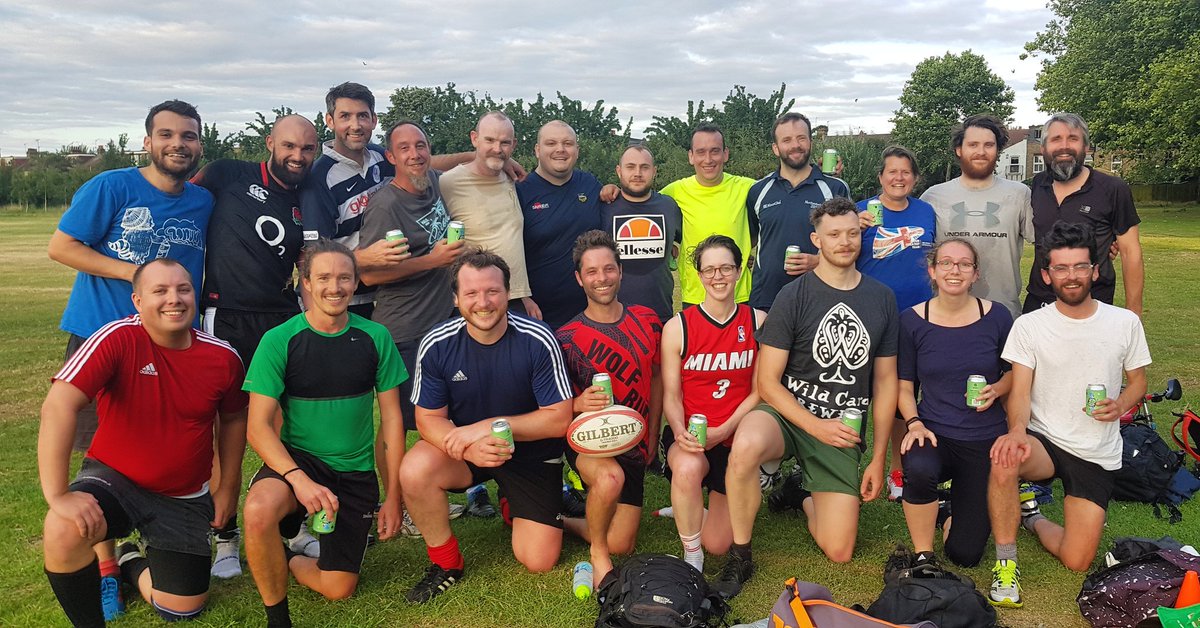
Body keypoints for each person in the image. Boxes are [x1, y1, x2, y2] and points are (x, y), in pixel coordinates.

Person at [46, 99, 212, 619]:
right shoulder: (112, 186)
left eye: (188, 136)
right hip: (102, 339)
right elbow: (62, 245)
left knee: (165, 443)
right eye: (166, 134)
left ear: (199, 144)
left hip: (165, 345)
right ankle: (105, 569)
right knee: (98, 455)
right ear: (147, 141)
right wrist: (131, 272)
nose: (177, 144)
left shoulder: (202, 201)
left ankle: (147, 544)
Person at [40, 259, 247, 627]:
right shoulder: (116, 337)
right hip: (116, 480)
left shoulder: (222, 356)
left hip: (183, 496)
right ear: (137, 300)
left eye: (183, 289)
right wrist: (58, 495)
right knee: (62, 527)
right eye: (160, 291)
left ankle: (129, 561)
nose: (174, 299)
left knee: (182, 608)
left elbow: (232, 420)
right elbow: (59, 405)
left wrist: (228, 486)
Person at [716, 198, 899, 599]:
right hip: (787, 414)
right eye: (834, 234)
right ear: (817, 240)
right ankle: (741, 553)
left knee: (840, 550)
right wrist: (813, 424)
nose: (845, 241)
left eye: (853, 233)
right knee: (746, 444)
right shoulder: (793, 295)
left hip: (841, 426)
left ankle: (799, 495)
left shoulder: (881, 298)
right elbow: (767, 382)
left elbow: (886, 382)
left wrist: (879, 455)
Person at [241, 239, 407, 628]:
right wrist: (298, 480)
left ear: (356, 282)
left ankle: (289, 556)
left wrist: (395, 498)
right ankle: (277, 618)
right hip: (300, 462)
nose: (335, 287)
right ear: (307, 284)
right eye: (324, 278)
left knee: (338, 587)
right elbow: (257, 427)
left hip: (353, 472)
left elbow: (392, 424)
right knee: (258, 510)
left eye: (344, 278)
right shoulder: (279, 339)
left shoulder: (375, 337)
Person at [987, 220, 1150, 608]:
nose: (1071, 276)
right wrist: (1014, 432)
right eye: (1061, 268)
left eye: (1080, 267)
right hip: (1045, 440)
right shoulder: (1029, 326)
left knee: (1077, 561)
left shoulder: (1124, 322)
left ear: (1095, 270)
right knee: (1005, 457)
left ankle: (1032, 516)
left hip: (1095, 450)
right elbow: (1020, 392)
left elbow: (1139, 383)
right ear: (1047, 274)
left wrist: (1121, 404)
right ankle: (1006, 565)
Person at [398, 248, 573, 603]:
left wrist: (488, 426)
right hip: (468, 452)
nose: (483, 302)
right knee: (414, 469)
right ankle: (446, 564)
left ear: (508, 293)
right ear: (456, 298)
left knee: (539, 560)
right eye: (472, 293)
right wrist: (466, 445)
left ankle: (515, 503)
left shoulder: (539, 338)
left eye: (492, 291)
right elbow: (427, 419)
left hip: (530, 453)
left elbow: (558, 418)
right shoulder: (436, 343)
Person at [192, 113, 321, 578]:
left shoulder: (309, 194)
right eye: (289, 146)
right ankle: (222, 533)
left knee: (291, 424)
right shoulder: (228, 173)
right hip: (222, 315)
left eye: (307, 149)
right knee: (225, 428)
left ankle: (291, 524)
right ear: (270, 142)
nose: (297, 156)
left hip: (280, 318)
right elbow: (174, 196)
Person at [357, 120, 476, 528]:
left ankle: (423, 489)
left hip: (443, 325)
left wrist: (488, 156)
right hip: (403, 330)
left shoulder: (434, 182)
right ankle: (395, 505)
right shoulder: (385, 205)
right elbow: (370, 275)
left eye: (421, 146)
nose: (415, 154)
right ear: (390, 157)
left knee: (437, 414)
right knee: (399, 421)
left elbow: (452, 164)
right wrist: (434, 261)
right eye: (404, 148)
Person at [896, 238, 1014, 569]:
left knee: (965, 555)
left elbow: (1016, 373)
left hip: (984, 438)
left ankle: (947, 512)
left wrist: (997, 388)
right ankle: (923, 553)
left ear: (975, 274)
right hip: (934, 432)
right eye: (946, 263)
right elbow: (904, 386)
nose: (955, 270)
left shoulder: (997, 317)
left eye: (964, 264)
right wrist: (914, 423)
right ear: (932, 271)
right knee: (918, 468)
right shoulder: (912, 321)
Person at [556, 230, 663, 586]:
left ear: (620, 270)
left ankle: (560, 518)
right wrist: (576, 403)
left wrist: (653, 433)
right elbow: (553, 406)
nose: (601, 279)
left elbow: (658, 378)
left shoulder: (647, 320)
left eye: (608, 269)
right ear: (579, 278)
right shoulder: (566, 338)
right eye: (592, 272)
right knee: (609, 479)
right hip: (590, 444)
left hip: (633, 443)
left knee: (624, 542)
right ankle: (597, 554)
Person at [662, 235, 766, 573]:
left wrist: (723, 429)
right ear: (698, 275)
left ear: (739, 271)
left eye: (725, 268)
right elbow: (672, 395)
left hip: (734, 436)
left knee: (720, 542)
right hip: (692, 433)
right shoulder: (678, 328)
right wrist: (679, 431)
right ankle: (692, 554)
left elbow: (759, 391)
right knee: (689, 468)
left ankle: (690, 508)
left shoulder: (757, 322)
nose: (717, 277)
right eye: (709, 270)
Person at [854, 145, 937, 502]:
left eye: (906, 172)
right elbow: (840, 254)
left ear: (914, 178)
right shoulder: (861, 212)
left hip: (916, 316)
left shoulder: (926, 211)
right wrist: (853, 228)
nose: (899, 177)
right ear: (880, 177)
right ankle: (848, 468)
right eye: (892, 171)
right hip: (872, 314)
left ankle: (896, 470)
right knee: (864, 397)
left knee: (904, 397)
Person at [1023, 113, 1143, 316]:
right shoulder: (1037, 185)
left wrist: (1134, 314)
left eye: (1073, 138)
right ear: (1043, 148)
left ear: (1086, 147)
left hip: (1094, 301)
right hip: (1040, 301)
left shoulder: (1113, 189)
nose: (1064, 146)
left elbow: (1131, 253)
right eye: (1056, 139)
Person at [920, 114, 1034, 318]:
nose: (981, 152)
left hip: (1004, 314)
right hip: (947, 315)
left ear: (998, 151)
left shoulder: (1019, 194)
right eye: (973, 144)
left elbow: (1049, 240)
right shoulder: (933, 196)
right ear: (959, 149)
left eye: (989, 145)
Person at [747, 112, 851, 311]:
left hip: (820, 298)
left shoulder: (835, 188)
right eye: (786, 140)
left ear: (810, 142)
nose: (795, 145)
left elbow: (851, 243)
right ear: (776, 149)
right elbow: (753, 238)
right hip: (766, 300)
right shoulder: (758, 191)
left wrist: (820, 261)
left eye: (801, 138)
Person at [441, 111, 541, 318]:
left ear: (513, 145)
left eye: (504, 143)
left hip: (513, 299)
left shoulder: (512, 180)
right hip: (476, 301)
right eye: (490, 140)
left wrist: (523, 295)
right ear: (474, 139)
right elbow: (415, 166)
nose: (497, 149)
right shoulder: (448, 182)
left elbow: (509, 241)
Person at [517, 121, 603, 329]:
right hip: (539, 317)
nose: (560, 150)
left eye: (567, 143)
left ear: (577, 150)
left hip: (591, 315)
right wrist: (520, 297)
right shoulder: (520, 191)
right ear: (537, 150)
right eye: (551, 143)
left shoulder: (590, 184)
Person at [662, 124, 756, 307]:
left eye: (715, 151)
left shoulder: (748, 188)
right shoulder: (674, 191)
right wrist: (613, 191)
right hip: (695, 297)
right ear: (691, 156)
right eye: (701, 152)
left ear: (725, 154)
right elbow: (641, 203)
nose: (708, 159)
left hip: (739, 296)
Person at [599, 144, 682, 323]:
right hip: (614, 317)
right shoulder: (603, 207)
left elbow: (682, 241)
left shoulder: (669, 206)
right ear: (619, 171)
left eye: (644, 167)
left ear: (654, 171)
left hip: (660, 314)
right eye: (630, 167)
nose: (638, 173)